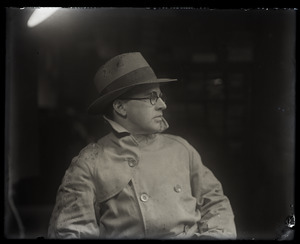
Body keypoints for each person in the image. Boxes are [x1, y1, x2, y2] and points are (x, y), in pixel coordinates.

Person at [47, 52, 237, 239]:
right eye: (151, 97)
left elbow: (217, 205)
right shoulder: (89, 163)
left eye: (161, 96)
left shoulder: (182, 150)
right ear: (120, 107)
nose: (162, 105)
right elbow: (71, 231)